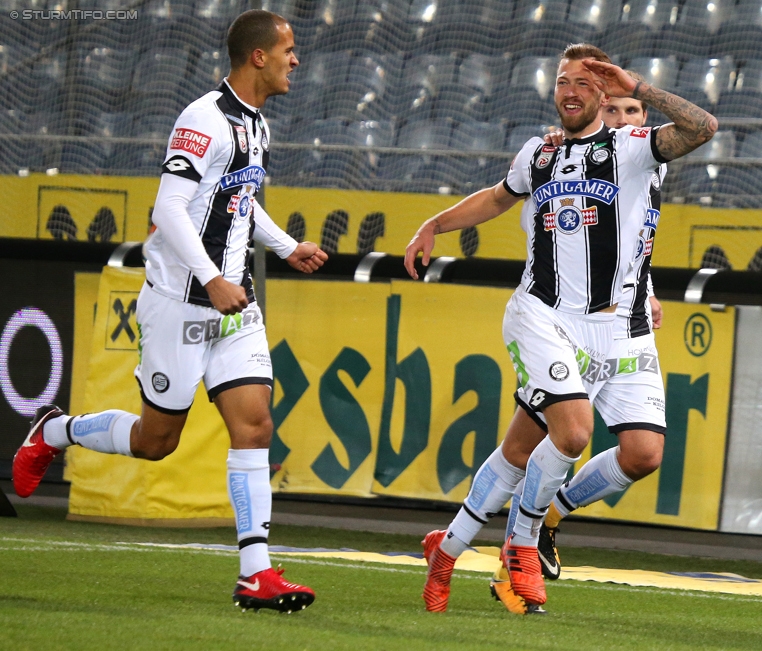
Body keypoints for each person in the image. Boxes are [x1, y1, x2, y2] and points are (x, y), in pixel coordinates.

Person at [12, 10, 327, 613]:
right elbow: (171, 206)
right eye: (289, 49)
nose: (296, 60)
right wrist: (210, 279)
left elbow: (239, 203)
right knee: (157, 441)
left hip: (236, 306)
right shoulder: (202, 118)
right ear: (258, 56)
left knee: (255, 422)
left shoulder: (257, 125)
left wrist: (289, 247)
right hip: (181, 304)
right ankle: (54, 431)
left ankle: (255, 572)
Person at [404, 44, 716, 613]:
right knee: (571, 435)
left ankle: (448, 548)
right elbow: (500, 197)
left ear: (604, 94)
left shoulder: (632, 149)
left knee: (622, 452)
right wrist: (435, 224)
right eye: (562, 80)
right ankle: (524, 543)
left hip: (621, 329)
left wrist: (638, 87)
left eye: (584, 82)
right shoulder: (538, 152)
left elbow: (703, 126)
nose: (570, 90)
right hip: (544, 317)